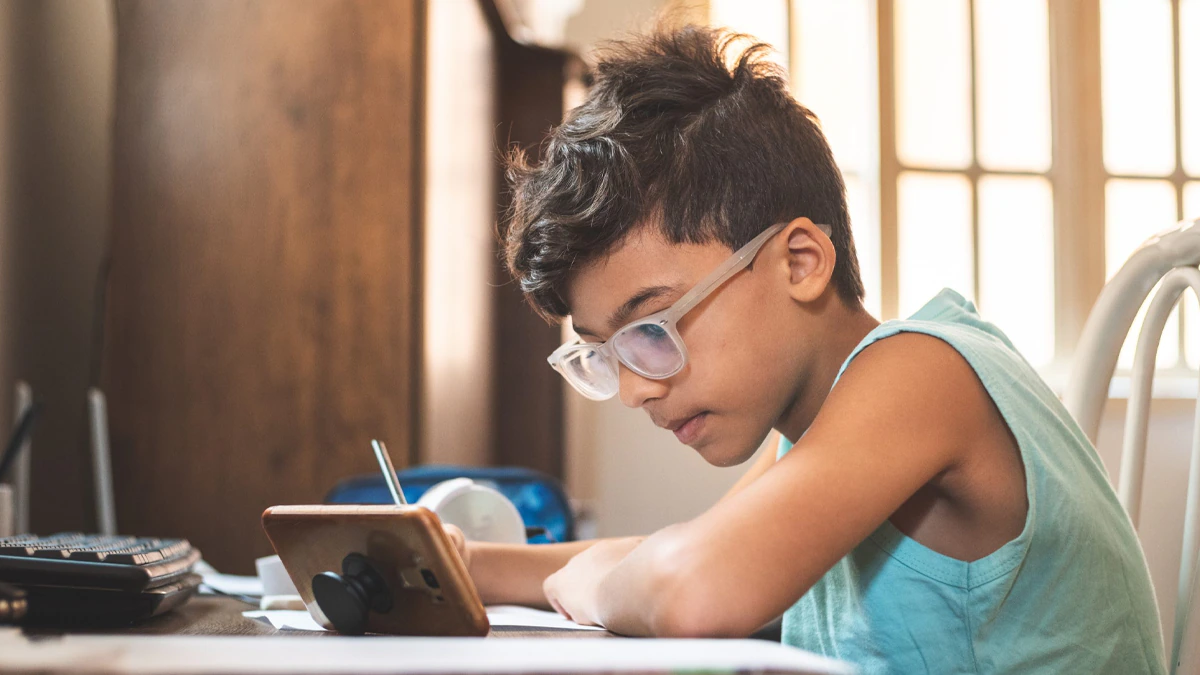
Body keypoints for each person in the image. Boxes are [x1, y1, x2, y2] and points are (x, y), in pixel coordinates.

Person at [447, 24, 1166, 674]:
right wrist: (468, 564)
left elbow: (697, 586)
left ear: (799, 262)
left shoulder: (921, 374)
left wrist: (590, 583)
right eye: (604, 353)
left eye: (650, 328)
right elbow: (686, 549)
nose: (634, 389)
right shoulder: (822, 427)